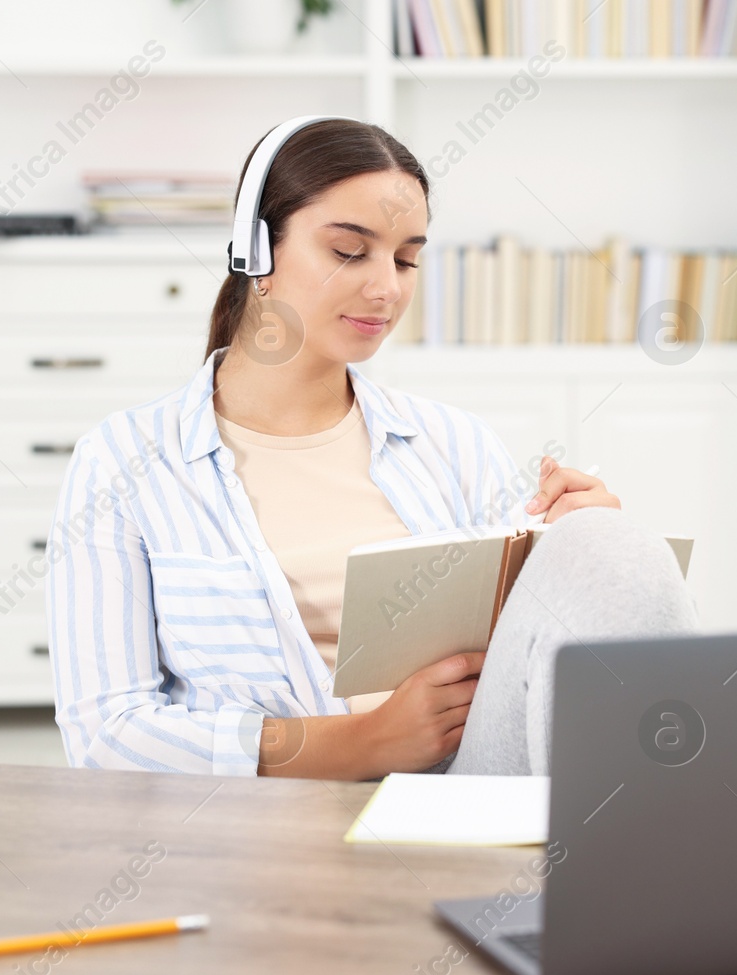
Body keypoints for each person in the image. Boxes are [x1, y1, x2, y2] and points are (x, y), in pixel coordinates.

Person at [47, 118, 697, 779]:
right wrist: (365, 742)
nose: (387, 288)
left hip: (459, 788)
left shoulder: (454, 443)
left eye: (406, 258)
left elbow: (532, 661)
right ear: (256, 253)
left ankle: (653, 858)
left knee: (612, 545)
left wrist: (578, 546)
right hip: (270, 831)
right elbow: (106, 731)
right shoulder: (124, 462)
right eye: (350, 252)